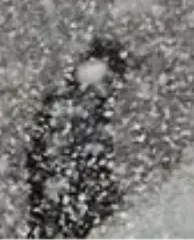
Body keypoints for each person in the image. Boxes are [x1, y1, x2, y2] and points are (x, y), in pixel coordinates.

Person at [26, 37, 129, 240]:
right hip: (70, 199)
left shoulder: (63, 98)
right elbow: (87, 155)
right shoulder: (85, 103)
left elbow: (38, 155)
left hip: (57, 199)